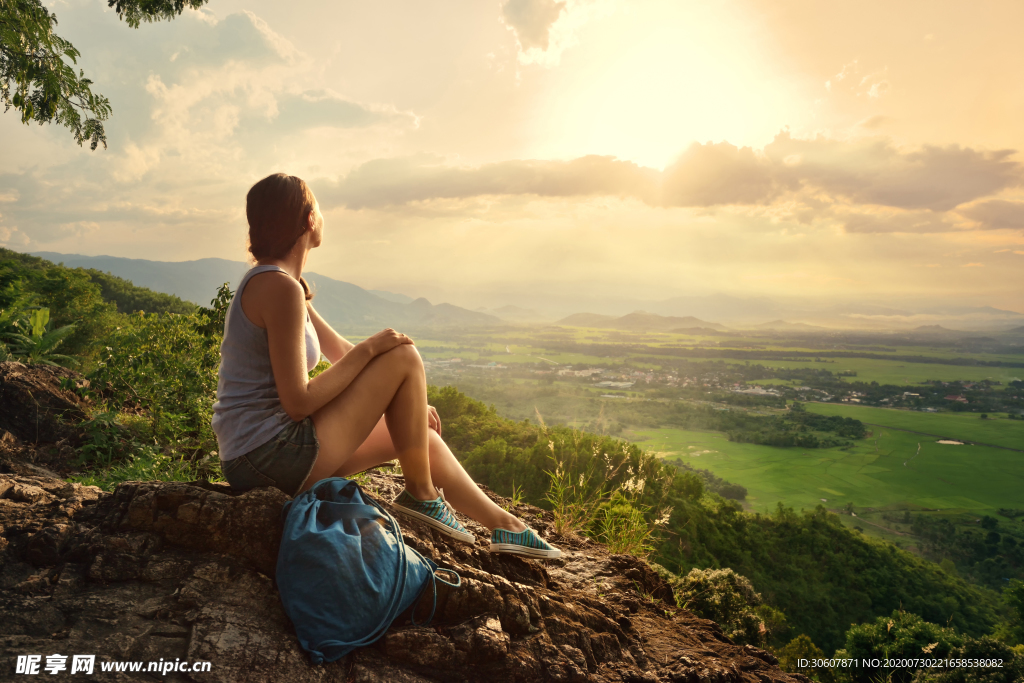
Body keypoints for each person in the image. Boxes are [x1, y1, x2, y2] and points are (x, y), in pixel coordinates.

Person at [212, 173, 560, 559]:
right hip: (268, 456)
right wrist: (372, 349)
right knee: (404, 354)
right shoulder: (277, 288)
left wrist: (406, 404)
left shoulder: (285, 285)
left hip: (268, 455)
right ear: (309, 219)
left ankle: (506, 526)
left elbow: (341, 351)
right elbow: (298, 401)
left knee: (416, 437)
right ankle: (422, 496)